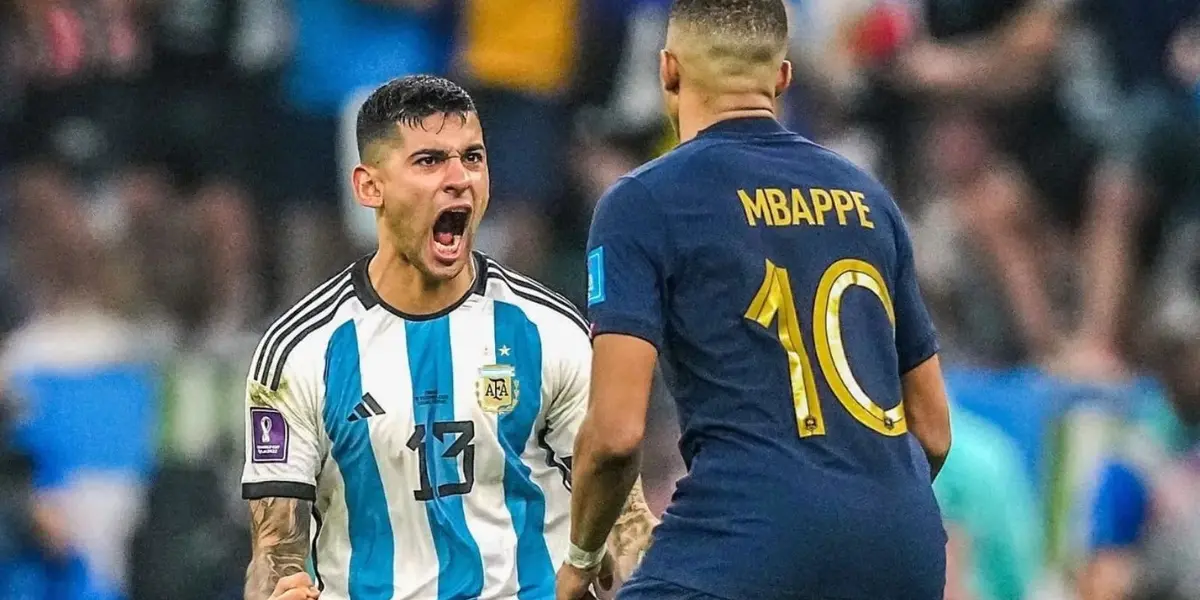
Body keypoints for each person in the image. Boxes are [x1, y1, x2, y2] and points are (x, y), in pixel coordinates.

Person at [556, 1, 953, 599]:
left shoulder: (643, 201)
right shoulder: (869, 200)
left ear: (668, 71)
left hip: (744, 540)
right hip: (904, 550)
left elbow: (614, 435)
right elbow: (934, 430)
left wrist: (583, 557)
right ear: (783, 77)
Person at [240, 75, 656, 600]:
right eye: (430, 161)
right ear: (370, 187)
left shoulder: (549, 331)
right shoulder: (300, 352)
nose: (460, 178)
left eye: (474, 158)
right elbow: (275, 554)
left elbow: (627, 523)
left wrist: (641, 566)